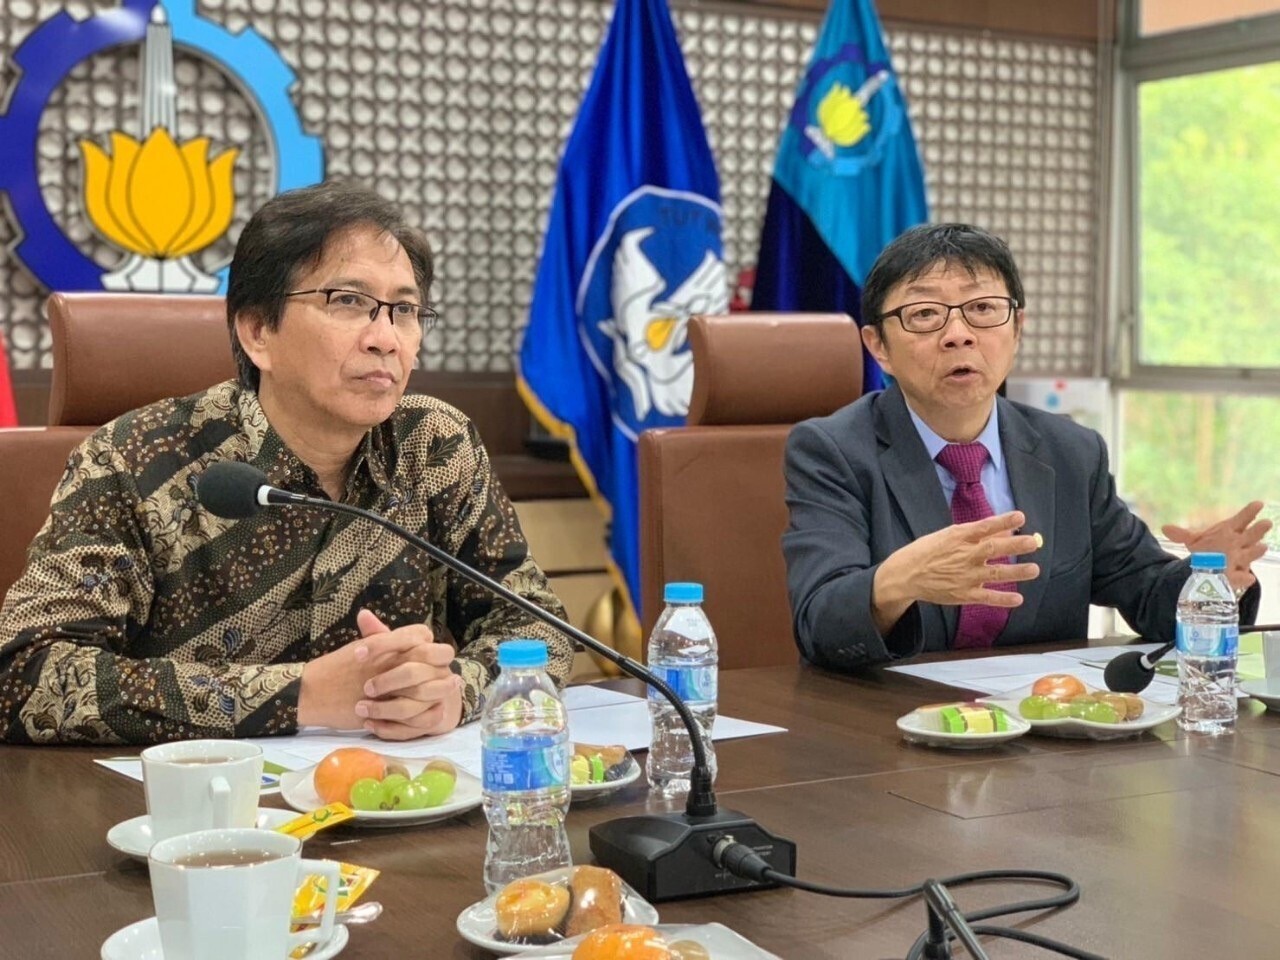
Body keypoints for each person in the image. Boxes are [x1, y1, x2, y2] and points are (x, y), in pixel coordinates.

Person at [0, 181, 574, 744]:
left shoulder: (433, 444)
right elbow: (22, 674)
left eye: (404, 310)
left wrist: (457, 688)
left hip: (395, 804)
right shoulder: (135, 460)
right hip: (194, 815)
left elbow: (540, 629)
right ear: (257, 332)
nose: (386, 338)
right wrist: (298, 694)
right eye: (348, 301)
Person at [783, 223, 1268, 670]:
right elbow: (820, 624)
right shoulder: (832, 452)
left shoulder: (1071, 452)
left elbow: (1147, 595)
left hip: (1042, 732)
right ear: (878, 346)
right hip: (883, 731)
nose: (958, 335)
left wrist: (1211, 580)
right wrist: (899, 581)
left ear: (1017, 329)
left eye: (983, 309)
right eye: (925, 314)